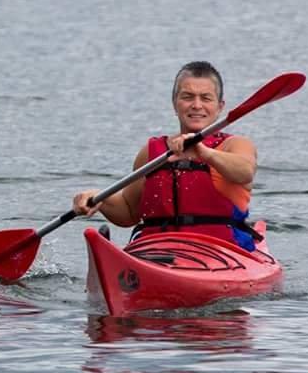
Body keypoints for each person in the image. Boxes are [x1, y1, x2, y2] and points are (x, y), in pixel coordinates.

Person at [71, 61, 261, 251]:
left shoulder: (235, 145)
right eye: (187, 97)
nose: (196, 105)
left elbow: (245, 172)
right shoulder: (152, 151)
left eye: (206, 98)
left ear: (220, 107)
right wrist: (100, 199)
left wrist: (205, 153)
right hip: (155, 251)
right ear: (175, 103)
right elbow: (128, 212)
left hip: (221, 251)